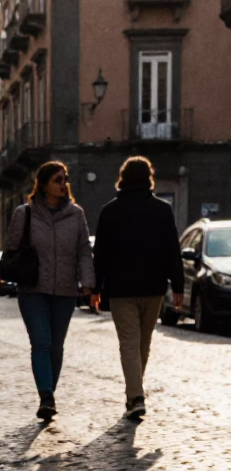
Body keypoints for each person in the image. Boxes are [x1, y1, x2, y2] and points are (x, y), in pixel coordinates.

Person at [92, 155, 183, 422]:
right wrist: (177, 285)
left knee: (130, 344)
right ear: (149, 179)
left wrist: (95, 288)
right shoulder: (162, 210)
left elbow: (101, 254)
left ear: (123, 178)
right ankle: (135, 395)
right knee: (143, 344)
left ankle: (135, 396)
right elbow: (172, 251)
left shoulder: (110, 211)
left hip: (121, 289)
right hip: (153, 288)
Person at [6, 161, 95, 421]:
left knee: (56, 347)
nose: (63, 184)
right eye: (57, 180)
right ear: (43, 184)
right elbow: (12, 247)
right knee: (41, 343)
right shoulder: (25, 213)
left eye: (65, 179)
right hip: (33, 289)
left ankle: (49, 394)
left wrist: (88, 283)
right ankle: (46, 395)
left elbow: (83, 251)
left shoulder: (76, 214)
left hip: (65, 291)